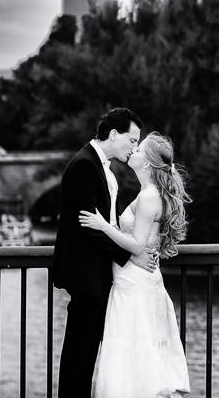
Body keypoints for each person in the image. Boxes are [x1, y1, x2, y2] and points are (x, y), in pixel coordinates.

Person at [51, 107, 156, 398]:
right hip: (86, 275)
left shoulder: (100, 165)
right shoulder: (85, 165)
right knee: (79, 353)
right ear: (113, 134)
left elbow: (103, 222)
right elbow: (88, 226)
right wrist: (131, 254)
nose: (135, 147)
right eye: (132, 140)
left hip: (96, 272)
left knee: (85, 352)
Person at [79, 131, 192, 398]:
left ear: (149, 162)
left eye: (139, 150)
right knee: (131, 351)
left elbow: (138, 245)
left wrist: (102, 226)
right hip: (133, 279)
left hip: (135, 283)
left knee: (133, 350)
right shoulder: (146, 193)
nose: (134, 152)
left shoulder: (149, 196)